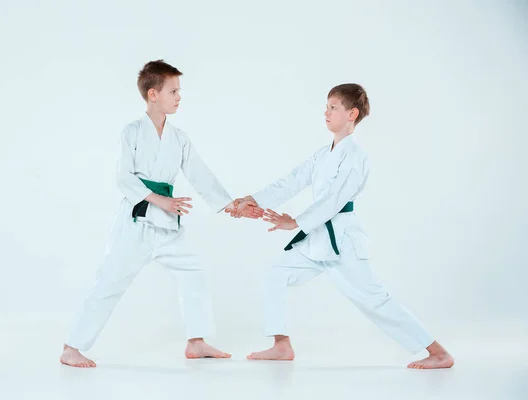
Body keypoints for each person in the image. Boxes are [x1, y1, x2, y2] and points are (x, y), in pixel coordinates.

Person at [232, 84, 454, 369]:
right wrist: (251, 199)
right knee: (276, 274)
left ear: (352, 114)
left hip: (343, 242)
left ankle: (438, 352)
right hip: (316, 240)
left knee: (376, 300)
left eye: (333, 107)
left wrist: (295, 222)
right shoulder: (323, 154)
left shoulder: (355, 156)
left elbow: (334, 201)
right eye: (326, 106)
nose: (326, 112)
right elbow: (292, 180)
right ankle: (281, 345)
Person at [60, 60, 263, 368]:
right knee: (110, 281)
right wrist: (158, 200)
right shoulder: (132, 132)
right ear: (153, 94)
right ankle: (72, 347)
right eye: (173, 91)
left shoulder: (179, 137)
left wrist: (231, 205)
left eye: (179, 91)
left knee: (193, 272)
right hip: (137, 220)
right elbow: (123, 178)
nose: (179, 96)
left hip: (168, 223)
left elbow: (200, 175)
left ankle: (196, 342)